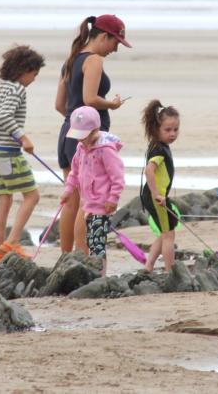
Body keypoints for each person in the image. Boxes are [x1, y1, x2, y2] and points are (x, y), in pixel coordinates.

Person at [55, 14, 131, 254]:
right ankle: (83, 255)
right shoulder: (94, 60)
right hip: (90, 139)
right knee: (87, 202)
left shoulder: (71, 59)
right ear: (104, 36)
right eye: (116, 42)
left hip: (68, 132)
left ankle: (66, 257)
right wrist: (112, 105)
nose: (116, 49)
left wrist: (76, 125)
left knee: (71, 200)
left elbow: (60, 105)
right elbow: (89, 99)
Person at [0, 45, 45, 263]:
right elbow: (4, 116)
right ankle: (12, 242)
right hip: (7, 151)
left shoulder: (1, 86)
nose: (34, 79)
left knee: (4, 198)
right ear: (24, 70)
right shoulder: (17, 89)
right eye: (34, 74)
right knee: (32, 196)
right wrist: (24, 138)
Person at [60, 106, 125, 276]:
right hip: (88, 204)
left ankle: (100, 277)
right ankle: (93, 272)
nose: (80, 140)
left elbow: (117, 177)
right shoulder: (81, 148)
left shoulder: (106, 150)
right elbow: (74, 172)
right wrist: (68, 190)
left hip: (103, 205)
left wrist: (113, 198)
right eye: (78, 136)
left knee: (97, 242)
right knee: (90, 240)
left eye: (84, 136)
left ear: (95, 130)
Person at [140, 100, 181, 272]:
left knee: (166, 230)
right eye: (168, 130)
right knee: (168, 234)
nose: (172, 134)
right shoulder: (158, 149)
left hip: (156, 196)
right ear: (156, 129)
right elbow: (149, 171)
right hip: (156, 197)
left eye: (176, 129)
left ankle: (149, 265)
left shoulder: (160, 145)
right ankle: (169, 271)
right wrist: (157, 194)